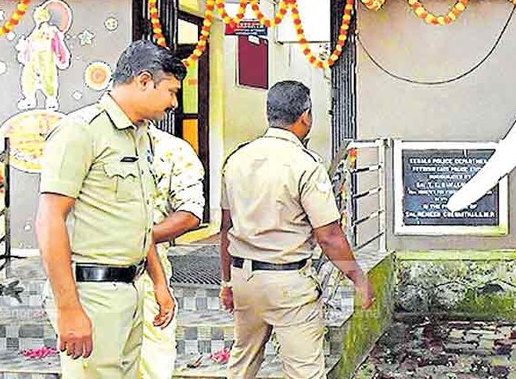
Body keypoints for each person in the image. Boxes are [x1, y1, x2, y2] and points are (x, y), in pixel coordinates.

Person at [36, 40, 182, 378]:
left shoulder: (140, 135)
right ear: (144, 81)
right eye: (171, 92)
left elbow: (137, 219)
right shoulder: (80, 131)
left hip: (131, 288)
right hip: (91, 292)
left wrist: (159, 283)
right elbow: (49, 219)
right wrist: (69, 309)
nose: (174, 103)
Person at [219, 80, 374, 378]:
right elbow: (328, 235)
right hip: (288, 282)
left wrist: (227, 282)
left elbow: (226, 228)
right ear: (305, 117)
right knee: (304, 372)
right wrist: (358, 278)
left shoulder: (236, 160)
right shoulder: (305, 165)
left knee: (242, 365)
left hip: (244, 280)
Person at [138, 125, 206, 378]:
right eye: (170, 92)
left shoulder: (170, 149)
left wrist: (136, 236)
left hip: (145, 273)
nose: (174, 103)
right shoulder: (84, 138)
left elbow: (191, 213)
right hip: (86, 277)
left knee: (154, 363)